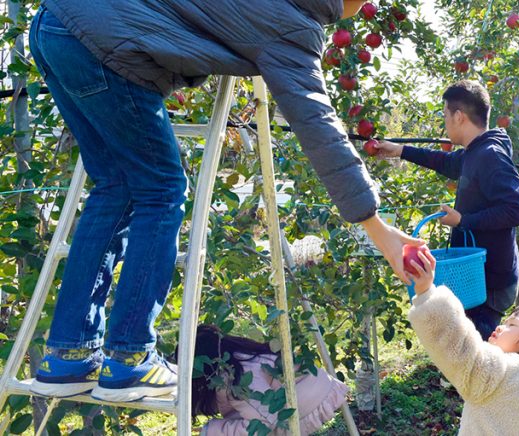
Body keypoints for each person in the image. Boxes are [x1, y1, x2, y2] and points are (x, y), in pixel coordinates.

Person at [28, 0, 422, 402]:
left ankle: (69, 355)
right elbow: (320, 130)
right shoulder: (291, 24)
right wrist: (378, 228)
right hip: (99, 41)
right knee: (160, 190)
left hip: (55, 24)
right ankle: (130, 358)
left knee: (115, 187)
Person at [371, 80, 519, 339]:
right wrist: (399, 151)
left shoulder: (490, 154)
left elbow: (517, 210)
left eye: (445, 115)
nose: (444, 121)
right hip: (482, 274)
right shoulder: (475, 152)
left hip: (490, 281)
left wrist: (464, 220)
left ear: (459, 116)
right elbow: (445, 161)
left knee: (480, 361)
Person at [406, 250, 519, 435]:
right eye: (505, 321)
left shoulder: (508, 371)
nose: (501, 326)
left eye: (512, 324)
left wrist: (427, 293)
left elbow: (461, 349)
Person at [191, 325, 348, 435]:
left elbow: (261, 425)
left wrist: (213, 431)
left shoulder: (238, 379)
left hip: (310, 401)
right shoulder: (241, 356)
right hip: (317, 387)